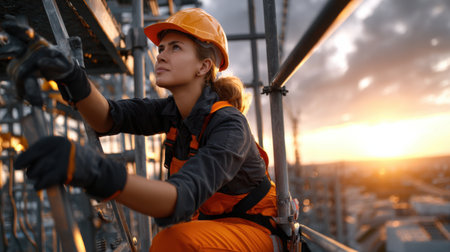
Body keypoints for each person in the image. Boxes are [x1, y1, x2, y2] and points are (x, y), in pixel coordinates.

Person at [5, 8, 281, 251]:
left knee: (173, 241)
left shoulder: (230, 126)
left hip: (255, 230)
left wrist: (96, 172)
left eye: (175, 47)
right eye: (161, 48)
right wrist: (68, 75)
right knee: (175, 239)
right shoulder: (173, 112)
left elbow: (178, 199)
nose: (160, 55)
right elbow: (107, 118)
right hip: (213, 229)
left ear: (203, 66)